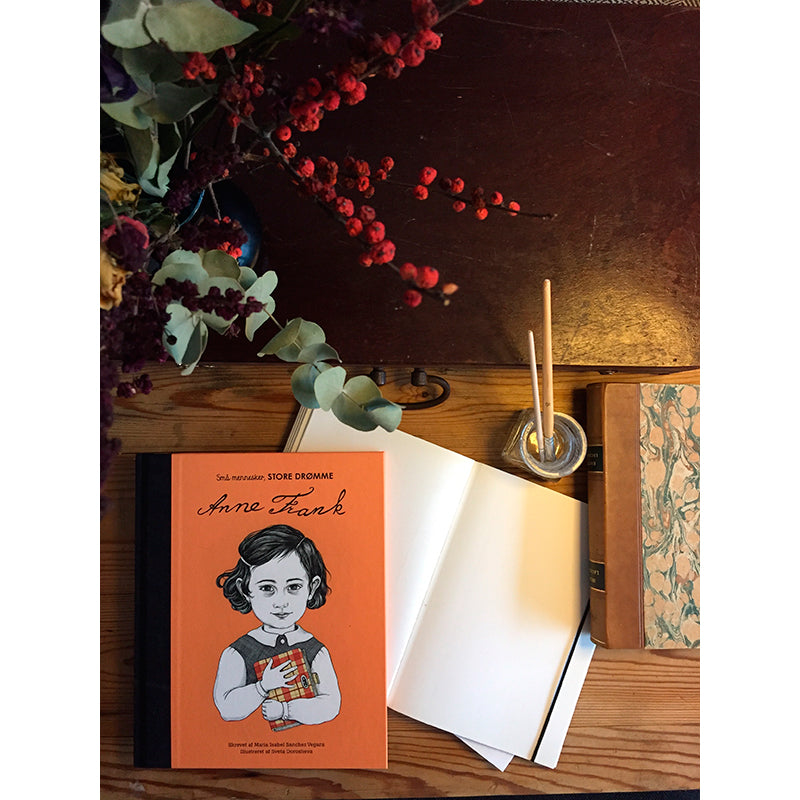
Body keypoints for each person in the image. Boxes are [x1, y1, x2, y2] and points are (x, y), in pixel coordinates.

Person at [213, 524, 341, 727]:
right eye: (267, 588)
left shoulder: (317, 651)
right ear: (245, 590)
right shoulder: (237, 652)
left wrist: (285, 710)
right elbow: (226, 709)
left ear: (311, 588)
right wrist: (262, 687)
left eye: (293, 587)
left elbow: (331, 705)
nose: (281, 602)